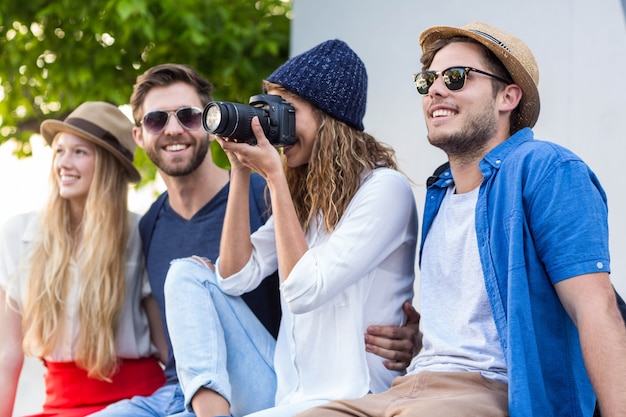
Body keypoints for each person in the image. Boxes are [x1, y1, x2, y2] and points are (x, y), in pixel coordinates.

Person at [295, 22, 626, 417]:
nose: (435, 89)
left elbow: (595, 308)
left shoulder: (546, 168)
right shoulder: (440, 191)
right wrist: (424, 338)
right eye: (427, 81)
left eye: (455, 78)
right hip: (410, 386)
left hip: (492, 391)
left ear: (508, 96)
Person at [92, 63, 420, 417]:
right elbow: (234, 277)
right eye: (269, 110)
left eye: (285, 112)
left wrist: (275, 177)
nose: (276, 128)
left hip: (345, 393)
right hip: (278, 388)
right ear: (140, 133)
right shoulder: (303, 201)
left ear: (328, 116)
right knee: (185, 273)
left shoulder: (382, 190)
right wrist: (240, 171)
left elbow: (304, 290)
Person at [0, 102, 166, 417]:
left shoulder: (139, 233)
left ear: (111, 165)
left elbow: (165, 345)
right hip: (60, 404)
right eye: (59, 151)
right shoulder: (16, 235)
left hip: (136, 400)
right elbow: (7, 355)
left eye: (80, 152)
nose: (64, 162)